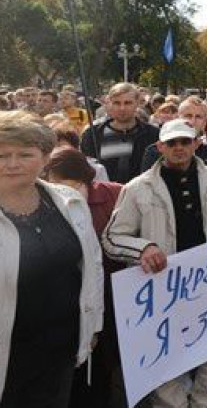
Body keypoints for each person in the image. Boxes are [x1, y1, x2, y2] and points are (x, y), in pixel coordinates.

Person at [102, 118, 207, 407]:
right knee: (165, 352)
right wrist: (143, 248)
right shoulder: (138, 188)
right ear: (160, 147)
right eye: (172, 143)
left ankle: (205, 402)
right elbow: (111, 238)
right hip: (162, 286)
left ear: (197, 143)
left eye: (185, 141)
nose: (179, 148)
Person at [0, 111, 104, 408]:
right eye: (2, 154)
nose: (12, 164)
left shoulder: (69, 202)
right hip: (8, 354)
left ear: (46, 158)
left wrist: (92, 325)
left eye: (24, 154)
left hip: (62, 346)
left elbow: (92, 264)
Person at [44, 147, 123, 408]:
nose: (66, 194)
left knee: (103, 363)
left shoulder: (116, 194)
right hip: (65, 304)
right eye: (58, 186)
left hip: (108, 297)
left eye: (73, 186)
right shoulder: (43, 204)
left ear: (88, 181)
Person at [81, 82, 160, 183]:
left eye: (127, 103)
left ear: (137, 103)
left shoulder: (153, 134)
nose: (122, 108)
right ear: (109, 103)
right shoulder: (92, 135)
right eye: (117, 103)